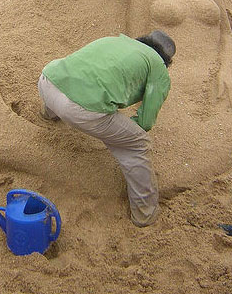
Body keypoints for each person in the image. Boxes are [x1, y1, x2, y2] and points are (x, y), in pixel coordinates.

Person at [38, 30, 176, 227]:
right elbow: (145, 121)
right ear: (166, 61)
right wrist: (121, 135)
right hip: (75, 108)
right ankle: (145, 214)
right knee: (137, 144)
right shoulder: (158, 67)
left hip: (47, 81)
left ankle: (47, 114)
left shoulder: (115, 40)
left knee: (74, 86)